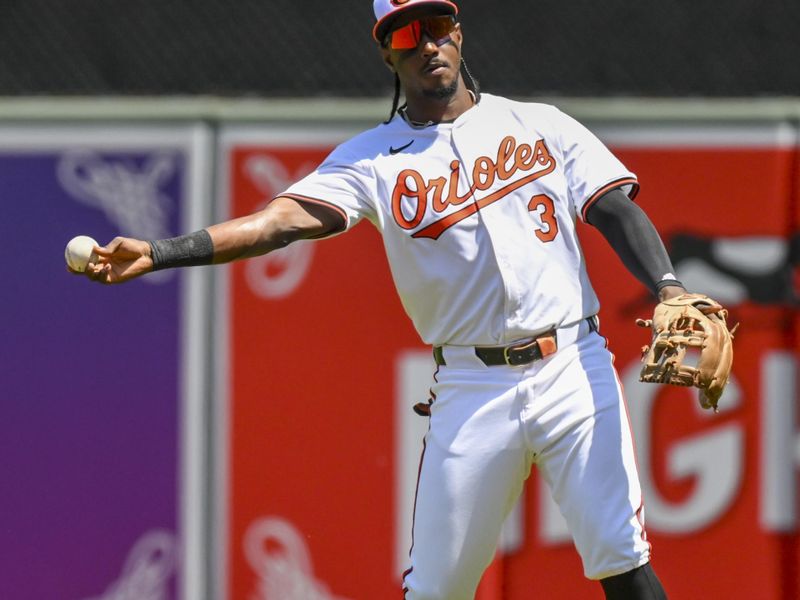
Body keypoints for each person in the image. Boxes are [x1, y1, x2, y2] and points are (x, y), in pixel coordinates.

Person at [75, 1, 680, 597]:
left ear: (459, 34)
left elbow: (614, 207)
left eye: (436, 27)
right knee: (437, 590)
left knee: (620, 554)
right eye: (406, 33)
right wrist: (162, 252)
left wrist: (670, 288)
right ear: (387, 51)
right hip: (473, 388)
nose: (426, 45)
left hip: (574, 366)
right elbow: (276, 223)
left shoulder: (541, 123)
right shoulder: (371, 159)